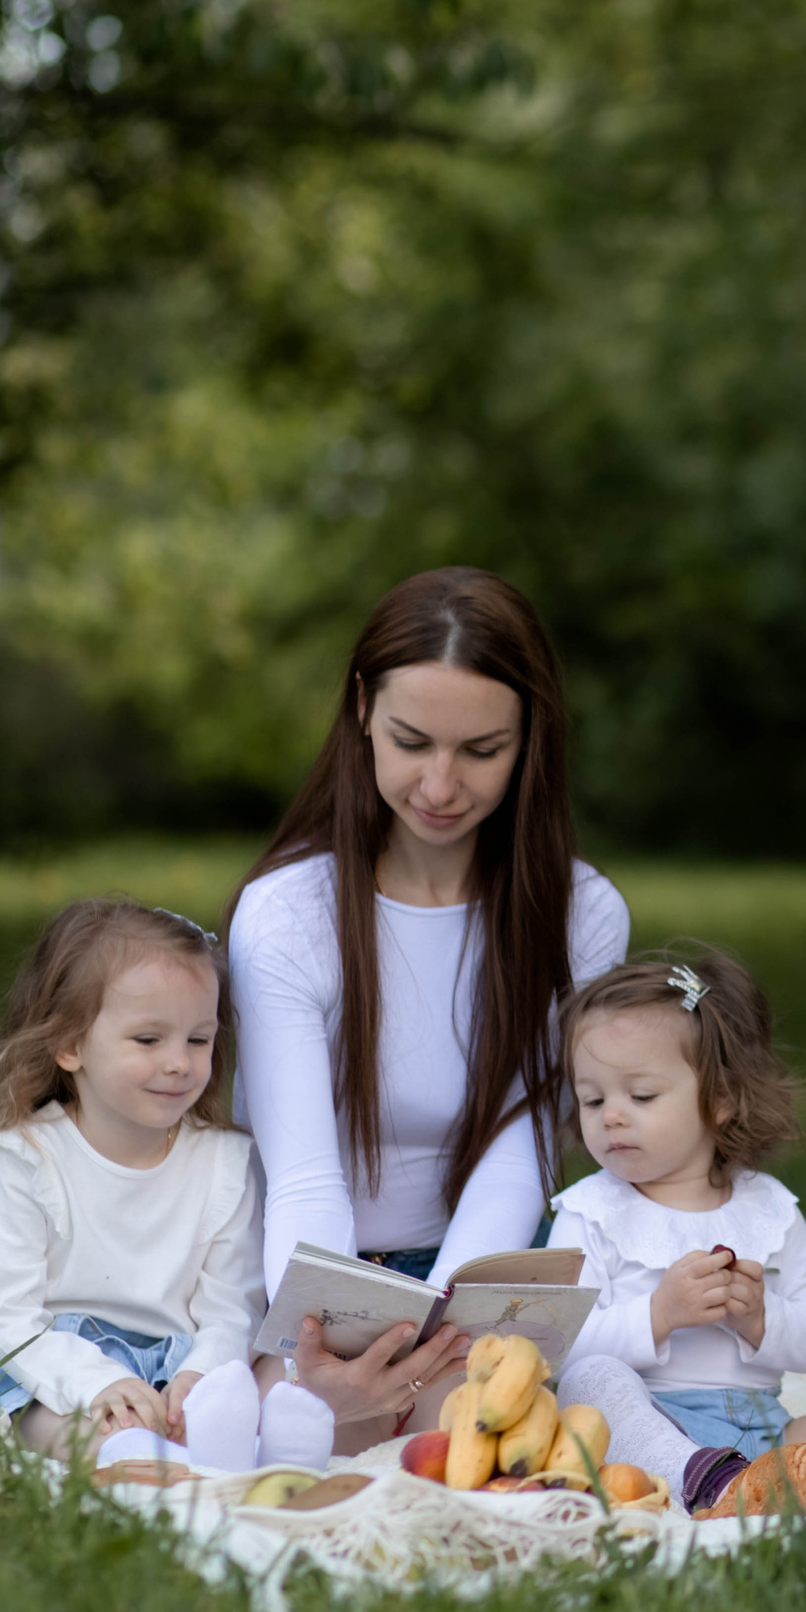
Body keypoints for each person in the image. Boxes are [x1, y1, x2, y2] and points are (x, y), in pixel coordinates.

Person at [227, 567, 630, 1444]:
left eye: (482, 751)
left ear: (531, 740)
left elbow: (519, 1155)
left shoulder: (581, 912)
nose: (441, 785)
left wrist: (440, 1344)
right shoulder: (288, 914)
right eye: (413, 741)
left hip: (472, 1285)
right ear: (362, 707)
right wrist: (325, 1348)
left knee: (574, 1417)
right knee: (289, 1422)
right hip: (302, 1282)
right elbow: (300, 1178)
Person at [0, 899, 333, 1471]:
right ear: (70, 1045)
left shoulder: (224, 1163)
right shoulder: (28, 1158)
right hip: (57, 1366)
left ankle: (247, 1449)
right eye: (149, 1040)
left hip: (182, 1364)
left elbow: (234, 1305)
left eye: (198, 1040)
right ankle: (157, 1459)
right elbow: (8, 1317)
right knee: (68, 1430)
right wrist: (98, 1383)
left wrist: (201, 1373)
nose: (179, 1062)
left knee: (270, 1372)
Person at [548, 950, 806, 1513]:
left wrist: (761, 1318)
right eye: (593, 1099)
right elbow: (559, 1347)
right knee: (592, 1380)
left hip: (768, 1434)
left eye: (640, 1096)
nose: (610, 1115)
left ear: (722, 1099)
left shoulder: (768, 1209)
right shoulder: (590, 1213)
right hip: (655, 1434)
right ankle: (705, 1485)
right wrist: (658, 1315)